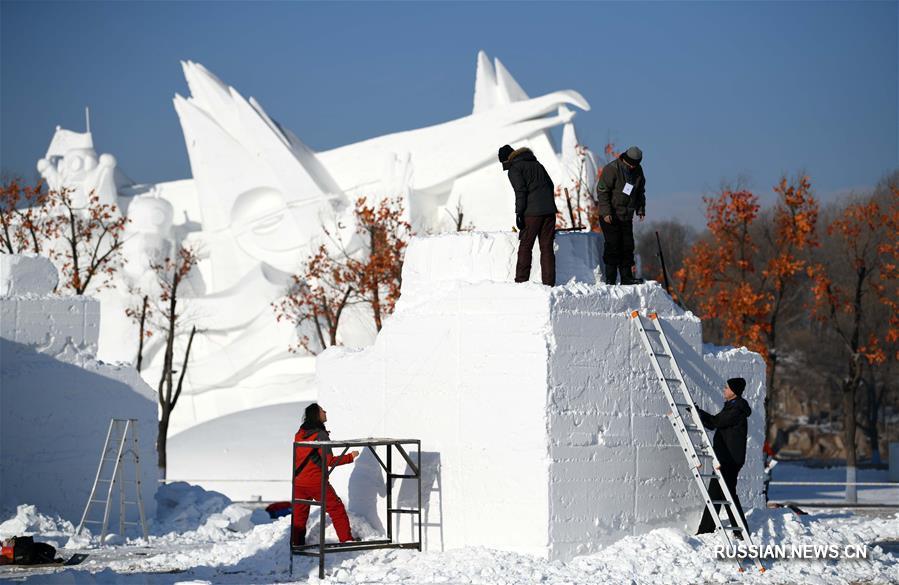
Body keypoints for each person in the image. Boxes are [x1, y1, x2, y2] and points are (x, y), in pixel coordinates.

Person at [292, 403, 359, 547]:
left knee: (299, 515)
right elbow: (329, 461)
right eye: (322, 411)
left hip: (298, 481)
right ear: (317, 415)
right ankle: (347, 540)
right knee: (336, 509)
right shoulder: (320, 434)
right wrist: (350, 456)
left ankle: (296, 545)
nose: (325, 412)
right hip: (316, 482)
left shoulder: (301, 432)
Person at [696, 377, 752, 537]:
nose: (724, 389)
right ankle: (706, 530)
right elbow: (715, 423)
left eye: (726, 387)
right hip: (724, 458)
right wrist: (698, 414)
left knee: (729, 495)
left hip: (730, 460)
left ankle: (741, 531)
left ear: (734, 391)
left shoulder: (736, 410)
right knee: (715, 493)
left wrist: (698, 413)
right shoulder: (731, 407)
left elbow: (715, 422)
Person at [499, 144, 558, 286]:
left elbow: (520, 191)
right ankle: (549, 283)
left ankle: (521, 281)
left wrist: (519, 213)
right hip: (549, 212)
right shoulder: (537, 164)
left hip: (532, 213)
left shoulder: (515, 168)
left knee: (525, 246)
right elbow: (550, 185)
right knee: (547, 247)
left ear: (506, 160)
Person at [595, 146, 646, 285]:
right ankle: (610, 279)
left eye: (635, 165)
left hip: (626, 215)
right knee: (613, 246)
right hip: (610, 215)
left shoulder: (637, 171)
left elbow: (640, 191)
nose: (632, 167)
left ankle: (627, 277)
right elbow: (602, 191)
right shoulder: (612, 169)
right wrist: (606, 212)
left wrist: (640, 209)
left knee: (627, 246)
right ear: (625, 159)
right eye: (631, 164)